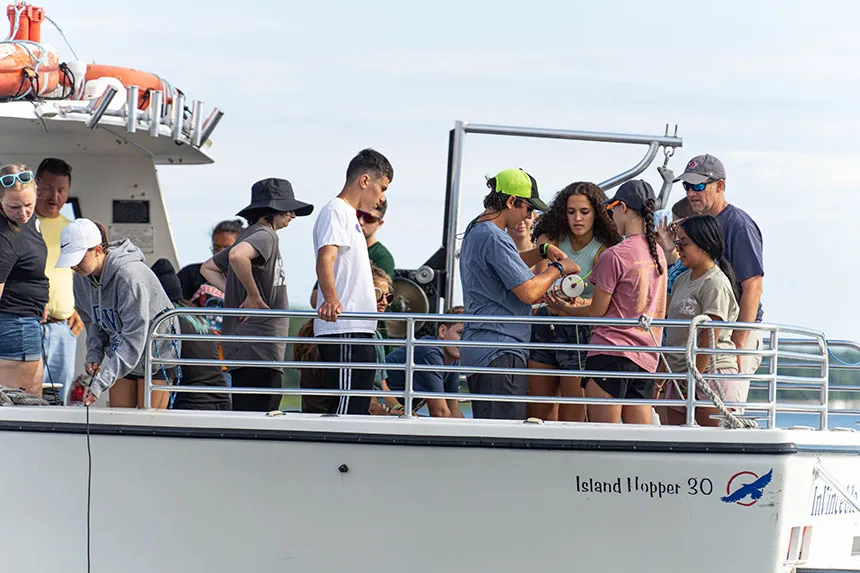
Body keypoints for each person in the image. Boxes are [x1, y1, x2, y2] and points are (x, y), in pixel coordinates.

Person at [459, 168, 579, 421]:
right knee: (501, 440)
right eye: (527, 208)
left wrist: (542, 251)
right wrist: (558, 269)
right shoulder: (494, 237)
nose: (530, 216)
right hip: (501, 351)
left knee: (489, 434)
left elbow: (507, 263)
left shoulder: (476, 229)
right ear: (511, 201)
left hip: (482, 349)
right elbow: (528, 292)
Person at [544, 180, 666, 424]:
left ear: (622, 207)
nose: (610, 216)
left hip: (609, 354)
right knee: (639, 443)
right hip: (645, 357)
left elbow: (596, 312)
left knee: (602, 438)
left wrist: (563, 308)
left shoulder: (615, 254)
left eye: (611, 210)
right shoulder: (658, 253)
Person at [201, 178, 313, 412]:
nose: (292, 215)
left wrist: (236, 293)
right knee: (263, 417)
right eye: (288, 209)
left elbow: (208, 268)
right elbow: (237, 257)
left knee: (247, 415)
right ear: (272, 209)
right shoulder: (266, 235)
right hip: (259, 350)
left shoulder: (250, 233)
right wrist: (251, 295)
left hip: (245, 349)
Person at [57, 218, 179, 408]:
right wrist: (94, 354)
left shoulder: (129, 276)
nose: (73, 265)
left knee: (146, 426)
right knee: (120, 422)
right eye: (70, 260)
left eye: (78, 258)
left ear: (98, 250)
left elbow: (134, 337)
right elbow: (92, 321)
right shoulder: (80, 279)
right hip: (121, 354)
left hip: (156, 356)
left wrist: (101, 382)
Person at [527, 181, 622, 421]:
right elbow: (539, 281)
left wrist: (577, 304)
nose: (577, 218)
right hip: (545, 324)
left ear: (597, 215)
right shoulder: (550, 241)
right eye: (571, 212)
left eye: (584, 212)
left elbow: (605, 303)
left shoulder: (606, 251)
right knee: (537, 412)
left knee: (573, 415)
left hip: (580, 331)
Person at [313, 148, 393, 416]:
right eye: (382, 188)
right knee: (347, 408)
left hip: (360, 328)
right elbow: (326, 257)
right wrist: (331, 298)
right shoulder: (336, 210)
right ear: (364, 181)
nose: (381, 198)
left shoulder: (350, 217)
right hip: (343, 327)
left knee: (358, 407)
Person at [674, 154, 764, 376]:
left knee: (722, 409)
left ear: (720, 185)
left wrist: (738, 342)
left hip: (729, 335)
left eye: (698, 185)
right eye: (687, 186)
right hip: (702, 333)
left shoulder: (738, 225)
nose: (690, 193)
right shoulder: (695, 226)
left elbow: (753, 286)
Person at [658, 216, 741, 426]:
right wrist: (660, 377)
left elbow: (709, 336)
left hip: (709, 373)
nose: (679, 249)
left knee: (714, 439)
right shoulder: (681, 280)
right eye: (677, 243)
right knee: (673, 438)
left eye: (683, 243)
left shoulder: (715, 283)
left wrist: (693, 378)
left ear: (704, 245)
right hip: (679, 373)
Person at [34, 158, 84, 403]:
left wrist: (77, 310)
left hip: (64, 330)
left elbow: (77, 276)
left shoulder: (72, 230)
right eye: (48, 189)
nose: (55, 196)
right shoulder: (19, 224)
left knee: (58, 400)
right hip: (27, 325)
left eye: (62, 190)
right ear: (36, 186)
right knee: (25, 397)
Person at [151, 258, 230, 411]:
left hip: (192, 403)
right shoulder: (194, 313)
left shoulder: (164, 319)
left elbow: (161, 372)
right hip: (221, 401)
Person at [0, 164, 49, 397]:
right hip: (14, 324)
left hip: (28, 319)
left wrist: (42, 302)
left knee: (33, 395)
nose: (23, 212)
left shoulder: (29, 221)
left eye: (29, 204)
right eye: (14, 207)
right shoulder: (4, 237)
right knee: (19, 402)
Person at [309, 199, 395, 308]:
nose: (361, 221)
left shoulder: (382, 257)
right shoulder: (340, 250)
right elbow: (316, 298)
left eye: (369, 218)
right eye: (357, 215)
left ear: (379, 224)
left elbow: (378, 300)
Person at [384, 306, 465, 417]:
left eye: (470, 335)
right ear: (442, 331)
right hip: (379, 412)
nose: (466, 341)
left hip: (398, 415)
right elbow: (439, 413)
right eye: (460, 333)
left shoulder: (452, 359)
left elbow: (453, 409)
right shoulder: (429, 353)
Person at [177, 219, 244, 301]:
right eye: (216, 248)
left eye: (227, 248)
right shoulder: (190, 274)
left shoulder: (249, 278)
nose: (220, 253)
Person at [659, 197, 697, 297]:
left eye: (674, 224)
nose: (672, 229)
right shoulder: (681, 260)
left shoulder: (693, 259)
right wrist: (668, 251)